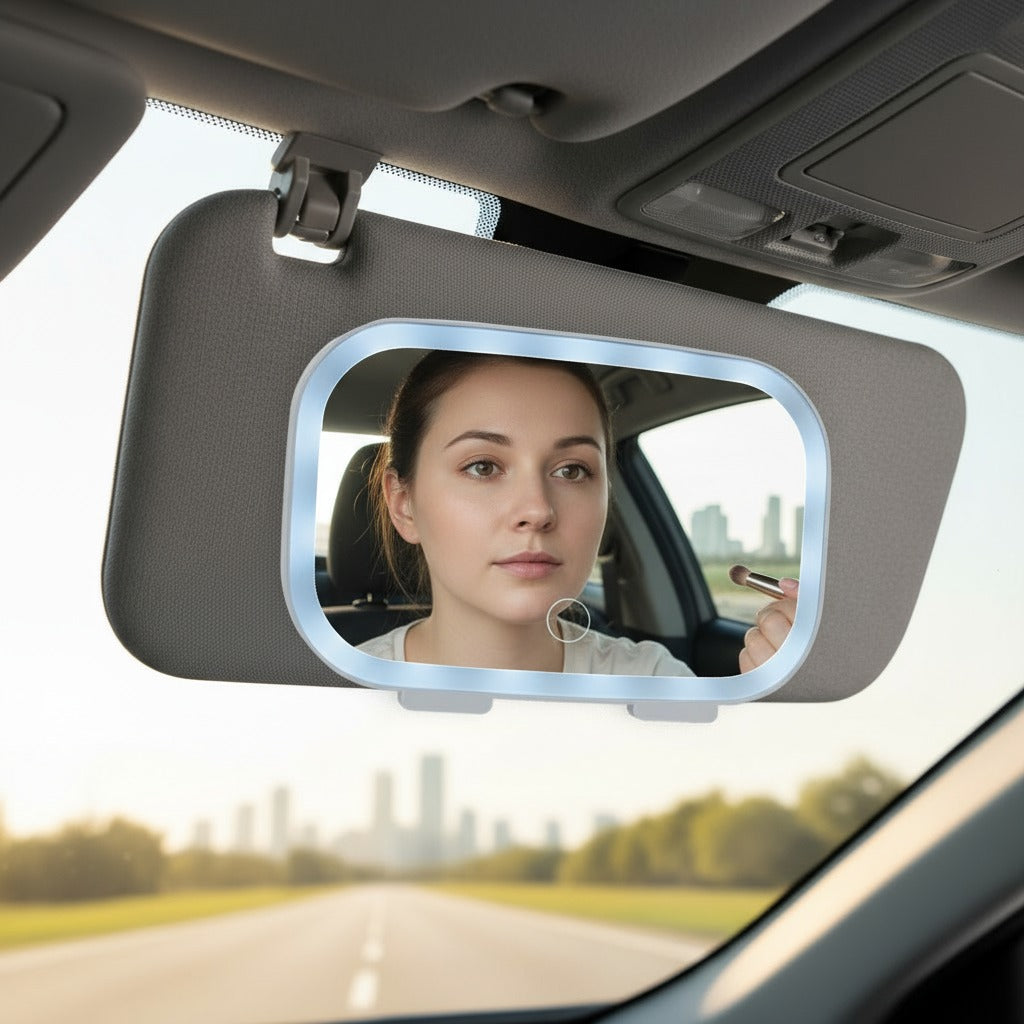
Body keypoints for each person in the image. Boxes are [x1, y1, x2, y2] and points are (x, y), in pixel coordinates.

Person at [357, 351, 794, 675]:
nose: (537, 510)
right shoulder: (336, 693)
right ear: (403, 504)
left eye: (571, 470)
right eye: (482, 467)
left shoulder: (656, 680)